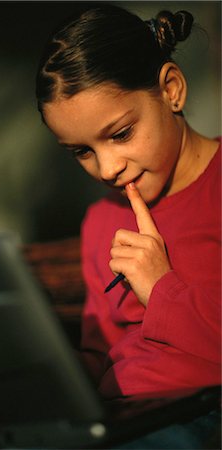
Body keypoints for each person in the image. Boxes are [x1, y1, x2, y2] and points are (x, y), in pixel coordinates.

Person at [35, 3, 221, 448]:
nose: (107, 168)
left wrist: (161, 289)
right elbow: (102, 352)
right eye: (81, 151)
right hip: (118, 418)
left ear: (171, 89)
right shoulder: (100, 222)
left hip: (197, 412)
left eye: (120, 134)